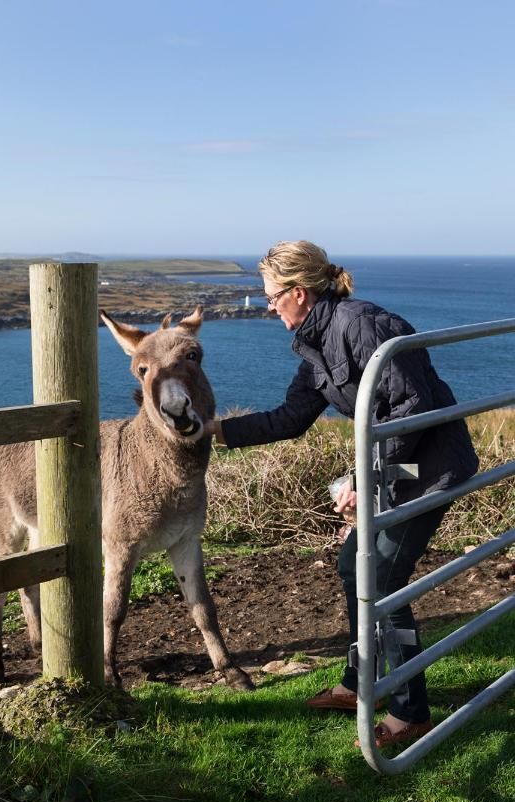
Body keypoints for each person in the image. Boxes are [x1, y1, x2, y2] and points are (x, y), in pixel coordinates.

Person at [205, 240, 478, 748]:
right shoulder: (315, 342)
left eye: (271, 296)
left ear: (300, 293)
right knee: (354, 564)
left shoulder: (363, 324)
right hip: (396, 465)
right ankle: (360, 682)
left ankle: (410, 711)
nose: (267, 307)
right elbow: (291, 419)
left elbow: (411, 409)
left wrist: (363, 479)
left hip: (431, 467)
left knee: (383, 579)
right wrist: (216, 432)